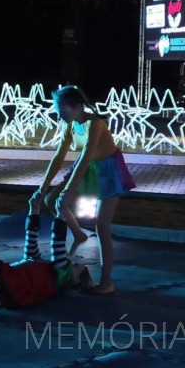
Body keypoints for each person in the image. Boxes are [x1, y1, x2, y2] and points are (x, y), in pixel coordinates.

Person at [31, 85, 135, 295]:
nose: (59, 115)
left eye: (63, 110)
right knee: (52, 200)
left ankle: (107, 282)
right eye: (58, 110)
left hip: (108, 170)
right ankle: (79, 235)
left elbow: (87, 155)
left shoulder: (95, 124)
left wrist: (69, 190)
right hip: (86, 167)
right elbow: (59, 156)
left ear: (78, 106)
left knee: (102, 225)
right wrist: (42, 188)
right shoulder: (70, 125)